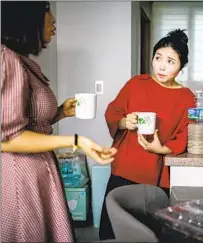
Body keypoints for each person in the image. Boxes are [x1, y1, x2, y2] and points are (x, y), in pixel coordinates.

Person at [1, 2, 117, 242]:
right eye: (47, 11)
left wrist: (61, 112)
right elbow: (8, 137)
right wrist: (77, 141)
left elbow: (27, 122)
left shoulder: (24, 62)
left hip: (39, 168)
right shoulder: (7, 59)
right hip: (21, 176)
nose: (54, 21)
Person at [100, 29, 196, 240]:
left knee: (147, 234)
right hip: (124, 168)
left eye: (171, 61)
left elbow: (186, 133)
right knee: (111, 230)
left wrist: (162, 149)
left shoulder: (187, 98)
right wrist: (125, 121)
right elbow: (113, 111)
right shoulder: (136, 84)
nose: (161, 66)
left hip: (155, 175)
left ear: (182, 66)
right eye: (158, 58)